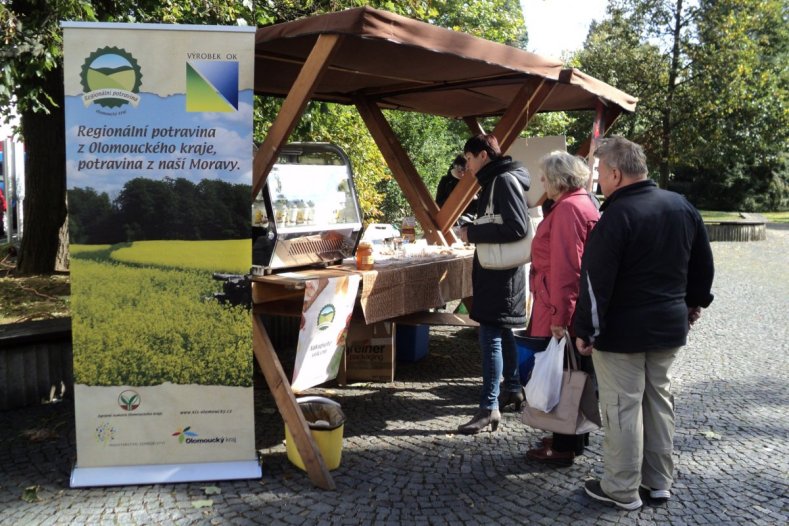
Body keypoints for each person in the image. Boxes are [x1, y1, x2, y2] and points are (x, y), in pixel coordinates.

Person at [573, 137, 714, 510]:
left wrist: (585, 330)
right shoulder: (681, 205)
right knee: (658, 402)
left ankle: (621, 489)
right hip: (668, 325)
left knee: (622, 407)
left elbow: (595, 280)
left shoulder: (617, 216)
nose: (599, 181)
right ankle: (658, 482)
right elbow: (703, 265)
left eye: (600, 173)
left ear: (616, 173)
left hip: (623, 332)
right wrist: (694, 303)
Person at [522, 151, 600, 466]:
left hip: (558, 303)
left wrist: (560, 317)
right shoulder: (584, 203)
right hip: (567, 301)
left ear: (558, 178)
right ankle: (572, 436)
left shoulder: (568, 209)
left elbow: (567, 268)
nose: (542, 181)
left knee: (562, 374)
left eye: (545, 176)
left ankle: (563, 442)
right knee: (574, 371)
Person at [457, 134, 530, 435]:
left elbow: (516, 227)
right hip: (500, 273)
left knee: (490, 336)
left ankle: (489, 408)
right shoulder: (498, 179)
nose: (468, 165)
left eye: (470, 158)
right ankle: (513, 389)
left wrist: (471, 233)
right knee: (502, 330)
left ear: (484, 155)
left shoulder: (503, 181)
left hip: (500, 275)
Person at [435, 155, 477, 226]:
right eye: (459, 171)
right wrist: (455, 198)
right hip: (449, 217)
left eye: (465, 170)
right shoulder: (446, 181)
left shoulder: (474, 181)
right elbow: (438, 202)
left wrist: (474, 198)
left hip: (470, 217)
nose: (462, 174)